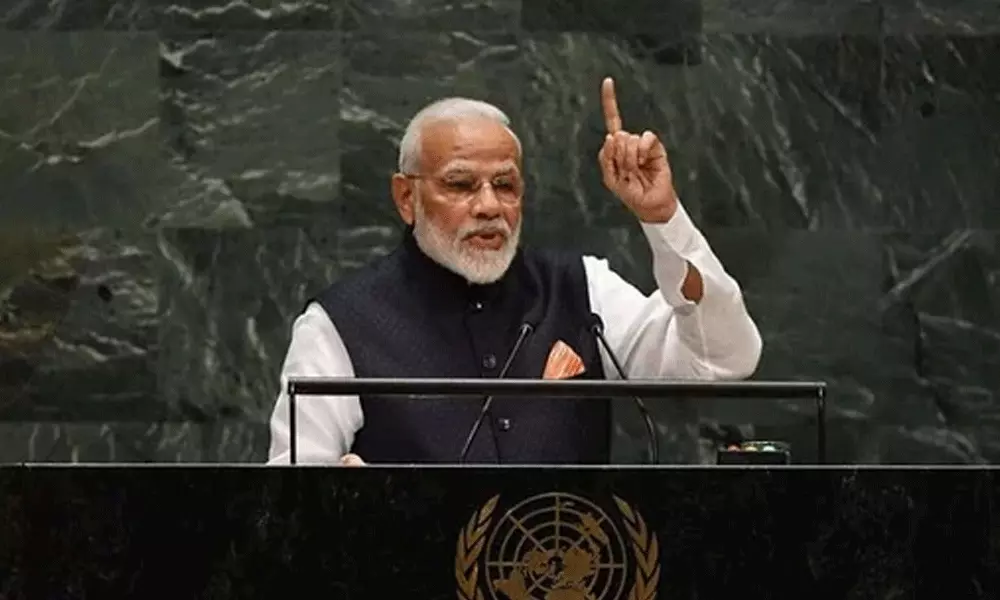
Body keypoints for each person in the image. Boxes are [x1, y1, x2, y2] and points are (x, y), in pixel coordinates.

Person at [267, 77, 762, 466]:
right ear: (406, 197)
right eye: (461, 185)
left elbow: (719, 360)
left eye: (505, 185)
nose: (489, 206)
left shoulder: (581, 289)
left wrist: (663, 218)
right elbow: (288, 500)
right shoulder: (339, 325)